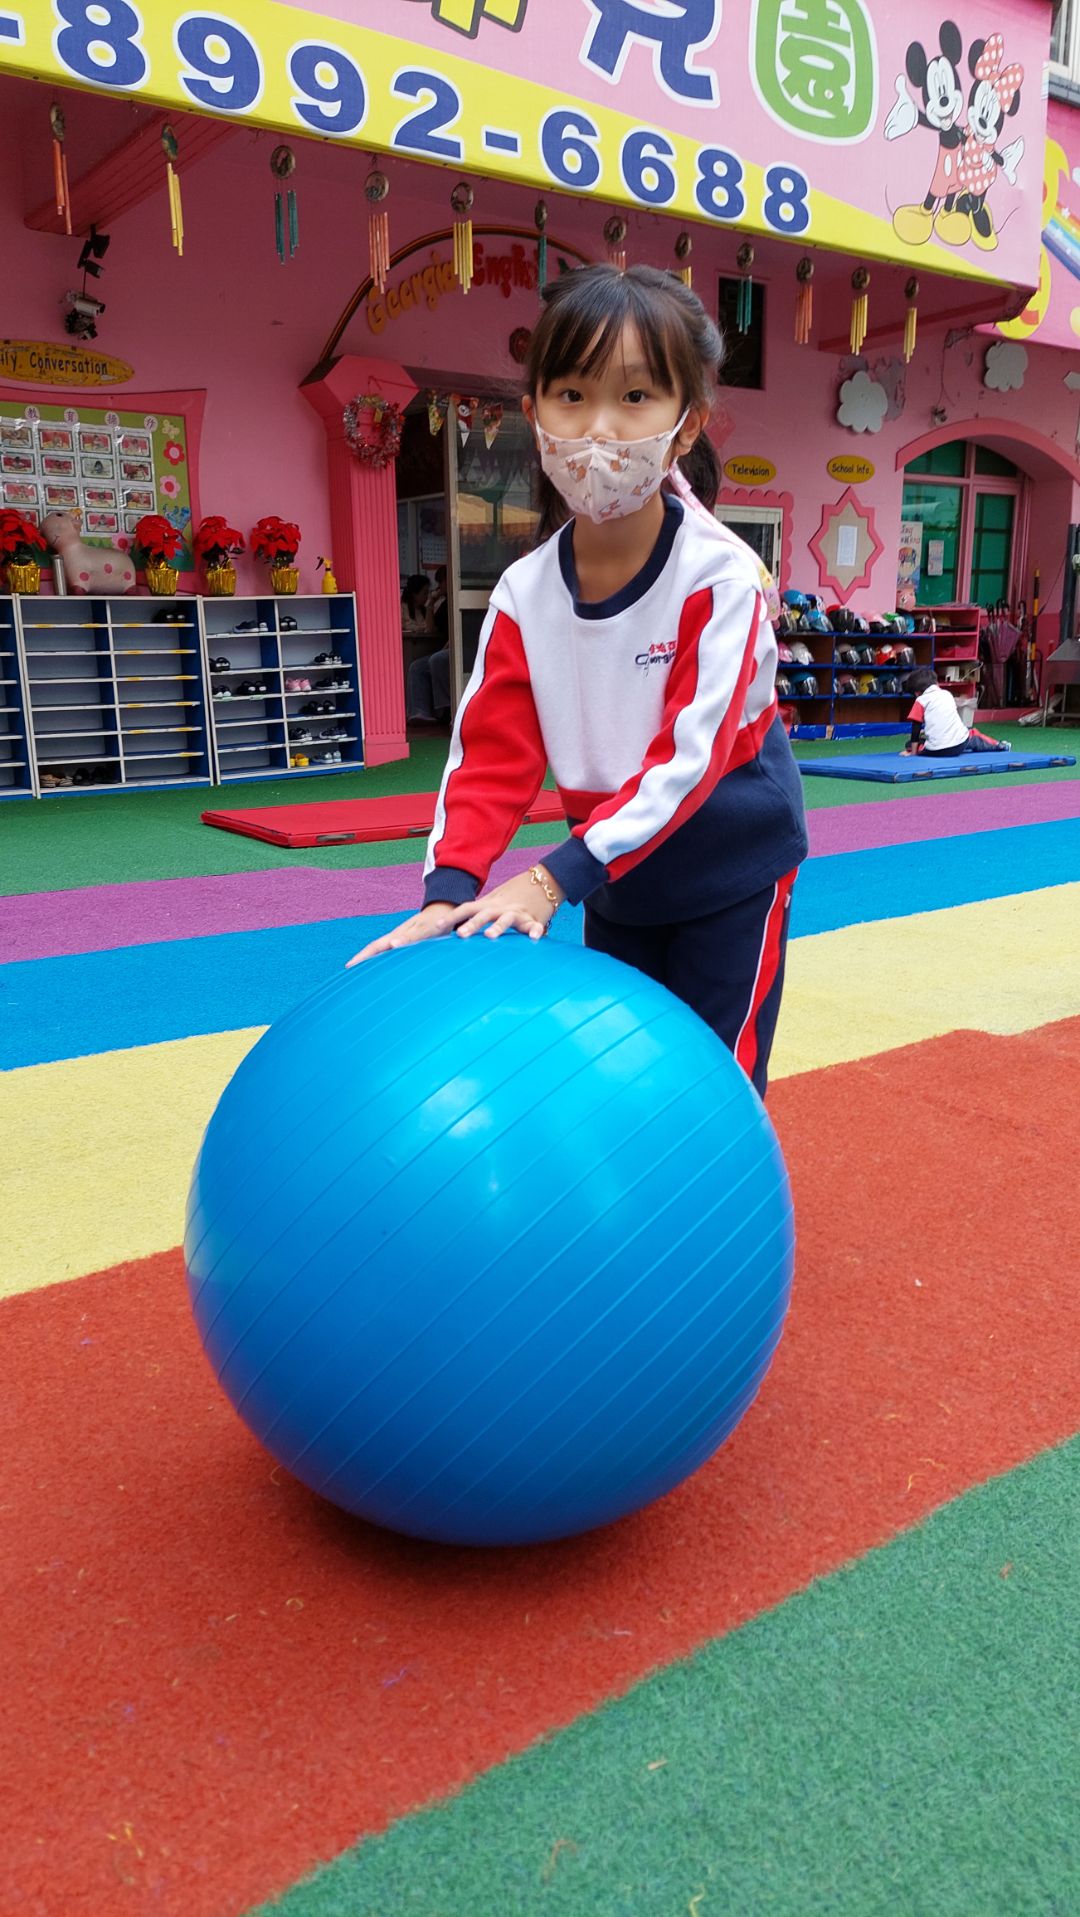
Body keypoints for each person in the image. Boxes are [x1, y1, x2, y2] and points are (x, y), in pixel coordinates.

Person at [352, 263, 809, 1097]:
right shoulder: (525, 594)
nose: (599, 426)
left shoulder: (720, 580)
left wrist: (550, 876)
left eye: (635, 396)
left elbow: (689, 761)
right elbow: (489, 758)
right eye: (571, 394)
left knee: (714, 1078)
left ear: (687, 424)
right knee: (623, 1070)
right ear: (534, 413)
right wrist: (447, 892)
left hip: (729, 867)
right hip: (619, 874)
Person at [901, 666, 1010, 756]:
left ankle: (917, 749)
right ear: (936, 683)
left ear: (917, 693)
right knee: (973, 736)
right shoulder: (947, 694)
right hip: (958, 746)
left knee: (909, 744)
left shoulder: (920, 700)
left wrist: (913, 753)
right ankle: (999, 745)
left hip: (935, 751)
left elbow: (915, 727)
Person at [400, 573, 432, 638]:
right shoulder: (402, 609)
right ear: (414, 594)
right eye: (425, 593)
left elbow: (430, 630)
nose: (427, 596)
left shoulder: (424, 610)